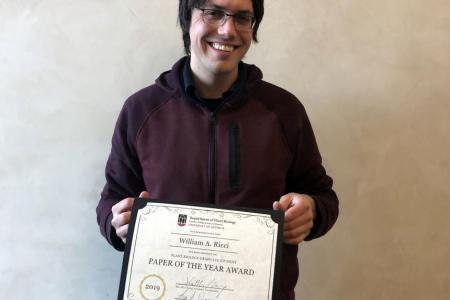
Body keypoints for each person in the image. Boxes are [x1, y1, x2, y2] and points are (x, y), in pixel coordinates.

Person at [96, 0, 339, 298]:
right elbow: (112, 198)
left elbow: (322, 195)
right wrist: (116, 221)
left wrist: (312, 211)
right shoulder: (141, 110)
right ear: (188, 19)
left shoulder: (284, 111)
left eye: (242, 18)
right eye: (213, 12)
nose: (227, 30)